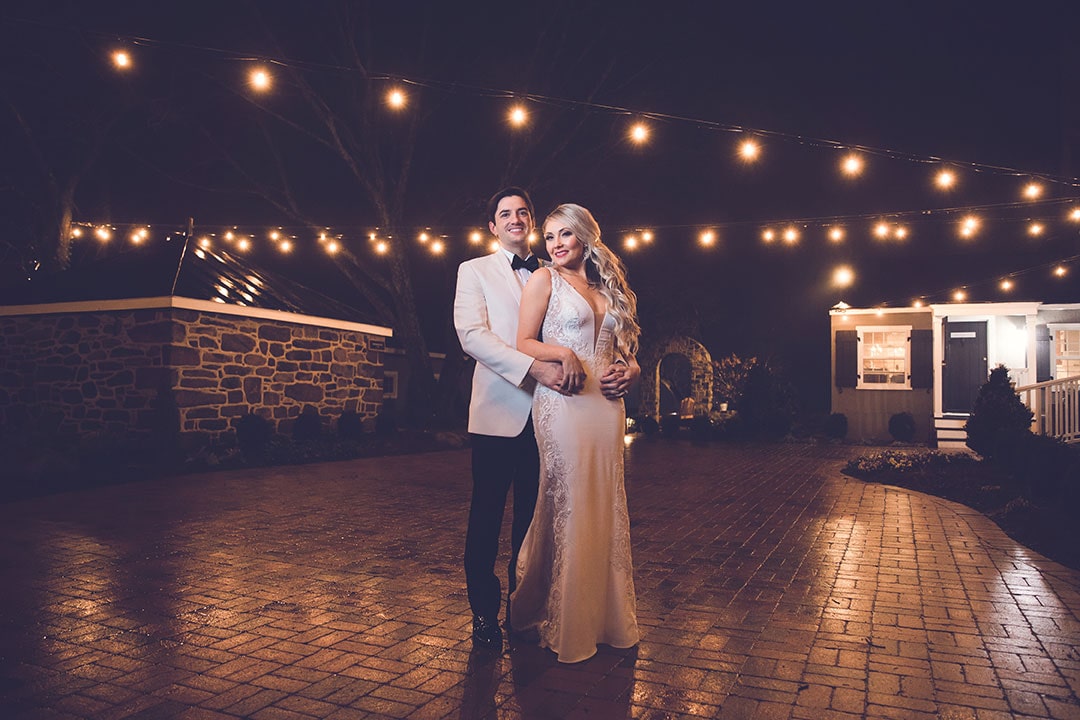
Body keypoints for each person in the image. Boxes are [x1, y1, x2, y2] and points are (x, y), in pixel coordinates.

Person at [510, 202, 641, 663]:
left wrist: (632, 370)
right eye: (548, 237)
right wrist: (562, 353)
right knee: (568, 501)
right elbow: (523, 341)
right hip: (562, 403)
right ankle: (560, 618)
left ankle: (604, 618)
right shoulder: (544, 280)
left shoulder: (609, 287)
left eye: (564, 235)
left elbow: (625, 350)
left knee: (604, 504)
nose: (556, 245)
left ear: (585, 237)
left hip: (606, 408)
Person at [453, 187, 567, 650]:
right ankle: (483, 614)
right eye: (506, 213)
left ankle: (522, 611)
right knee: (485, 518)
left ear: (532, 222)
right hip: (498, 414)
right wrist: (531, 368)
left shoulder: (554, 274)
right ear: (492, 226)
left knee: (533, 520)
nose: (515, 218)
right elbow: (471, 336)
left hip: (549, 414)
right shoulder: (473, 270)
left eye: (523, 212)